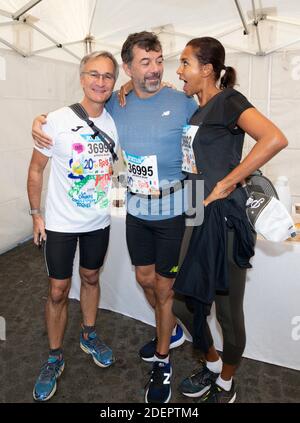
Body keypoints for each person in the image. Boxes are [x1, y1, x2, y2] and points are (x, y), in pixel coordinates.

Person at [31, 32, 198, 403]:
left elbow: (199, 143)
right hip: (114, 213)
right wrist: (35, 212)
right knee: (109, 282)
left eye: (158, 61)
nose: (154, 69)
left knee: (140, 283)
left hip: (151, 213)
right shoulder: (100, 110)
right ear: (128, 68)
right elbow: (40, 163)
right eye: (144, 62)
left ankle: (150, 353)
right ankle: (59, 355)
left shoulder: (172, 102)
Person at [173, 37, 288, 403]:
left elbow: (273, 138)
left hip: (223, 217)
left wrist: (227, 182)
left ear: (207, 69)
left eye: (185, 63)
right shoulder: (196, 111)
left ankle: (226, 379)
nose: (179, 71)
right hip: (195, 213)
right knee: (183, 303)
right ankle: (210, 361)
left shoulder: (229, 100)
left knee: (226, 308)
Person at [27, 51, 119, 401]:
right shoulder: (55, 120)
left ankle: (88, 334)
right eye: (93, 74)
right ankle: (54, 357)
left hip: (98, 221)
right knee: (58, 290)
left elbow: (145, 102)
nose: (100, 82)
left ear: (114, 82)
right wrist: (36, 214)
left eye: (107, 76)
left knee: (92, 278)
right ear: (81, 78)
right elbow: (36, 170)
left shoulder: (116, 120)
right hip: (61, 225)